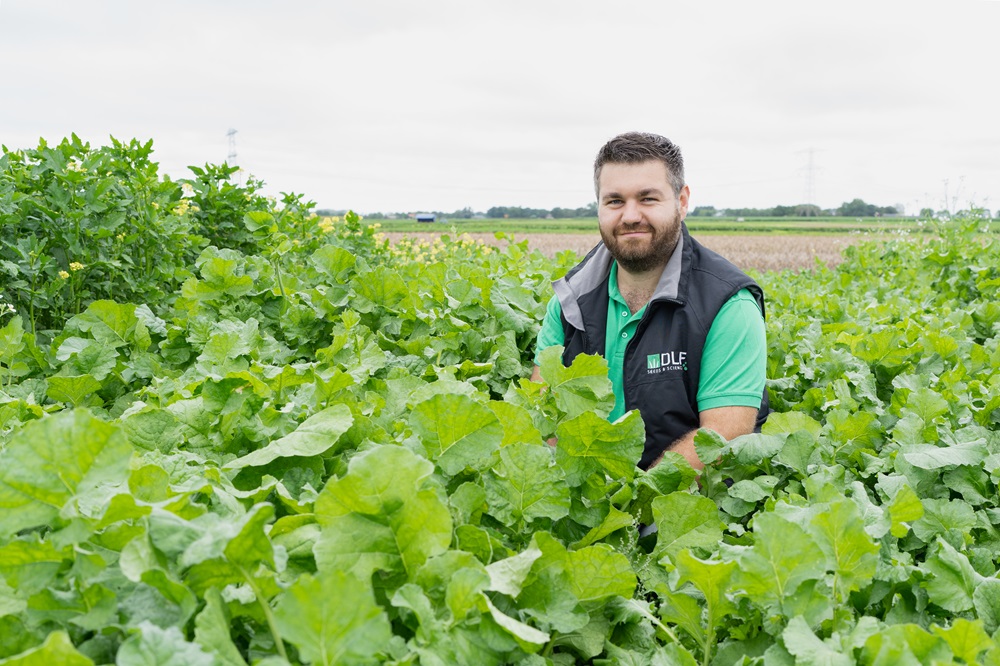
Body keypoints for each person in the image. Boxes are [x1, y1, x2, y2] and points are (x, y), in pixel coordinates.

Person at [531, 132, 768, 471]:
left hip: (681, 507)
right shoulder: (571, 299)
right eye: (614, 201)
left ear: (682, 201)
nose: (630, 216)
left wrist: (631, 504)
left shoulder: (727, 305)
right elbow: (542, 413)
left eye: (647, 199)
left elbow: (722, 436)